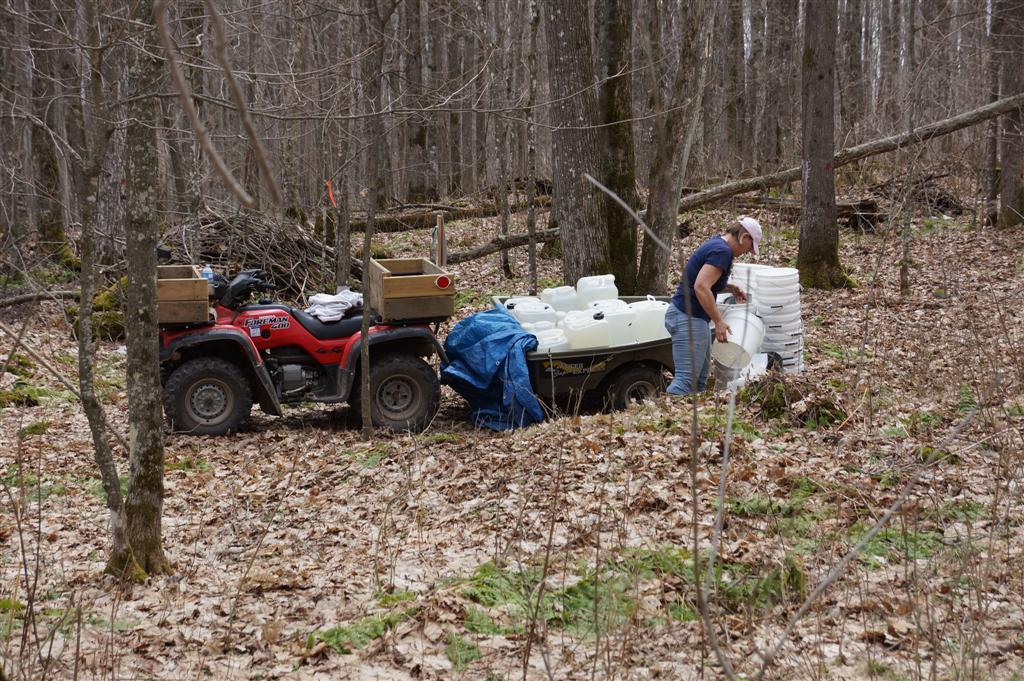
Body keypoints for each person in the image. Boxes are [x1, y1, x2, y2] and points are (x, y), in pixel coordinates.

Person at [664, 216, 762, 395]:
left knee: (700, 380)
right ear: (744, 237)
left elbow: (705, 281)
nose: (748, 252)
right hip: (687, 317)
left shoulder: (718, 245)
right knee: (685, 381)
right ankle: (661, 418)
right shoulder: (722, 251)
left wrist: (729, 287)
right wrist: (718, 321)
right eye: (750, 247)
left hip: (693, 318)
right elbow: (701, 287)